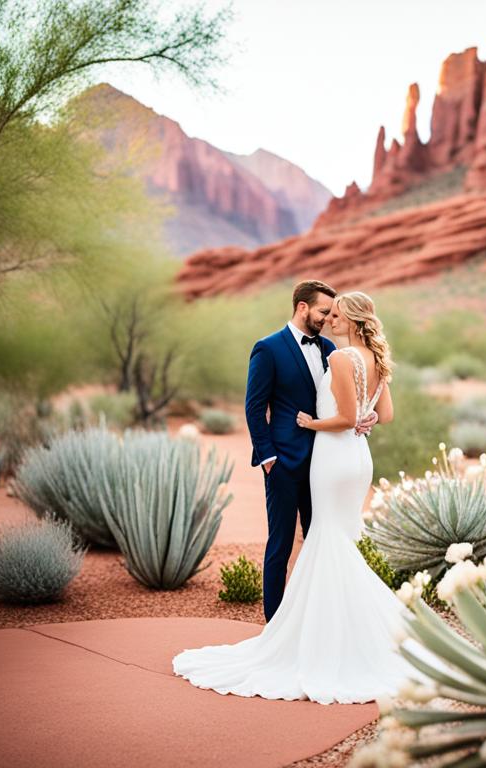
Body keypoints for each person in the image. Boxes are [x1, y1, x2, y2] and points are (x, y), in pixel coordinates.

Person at [172, 289, 413, 704]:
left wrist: (313, 422)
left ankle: (313, 640)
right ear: (303, 308)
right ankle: (285, 627)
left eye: (335, 313)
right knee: (292, 542)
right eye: (324, 311)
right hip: (303, 461)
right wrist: (266, 455)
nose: (328, 319)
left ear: (350, 319)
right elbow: (255, 406)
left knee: (326, 542)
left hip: (330, 458)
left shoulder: (335, 353)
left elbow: (346, 415)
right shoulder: (271, 348)